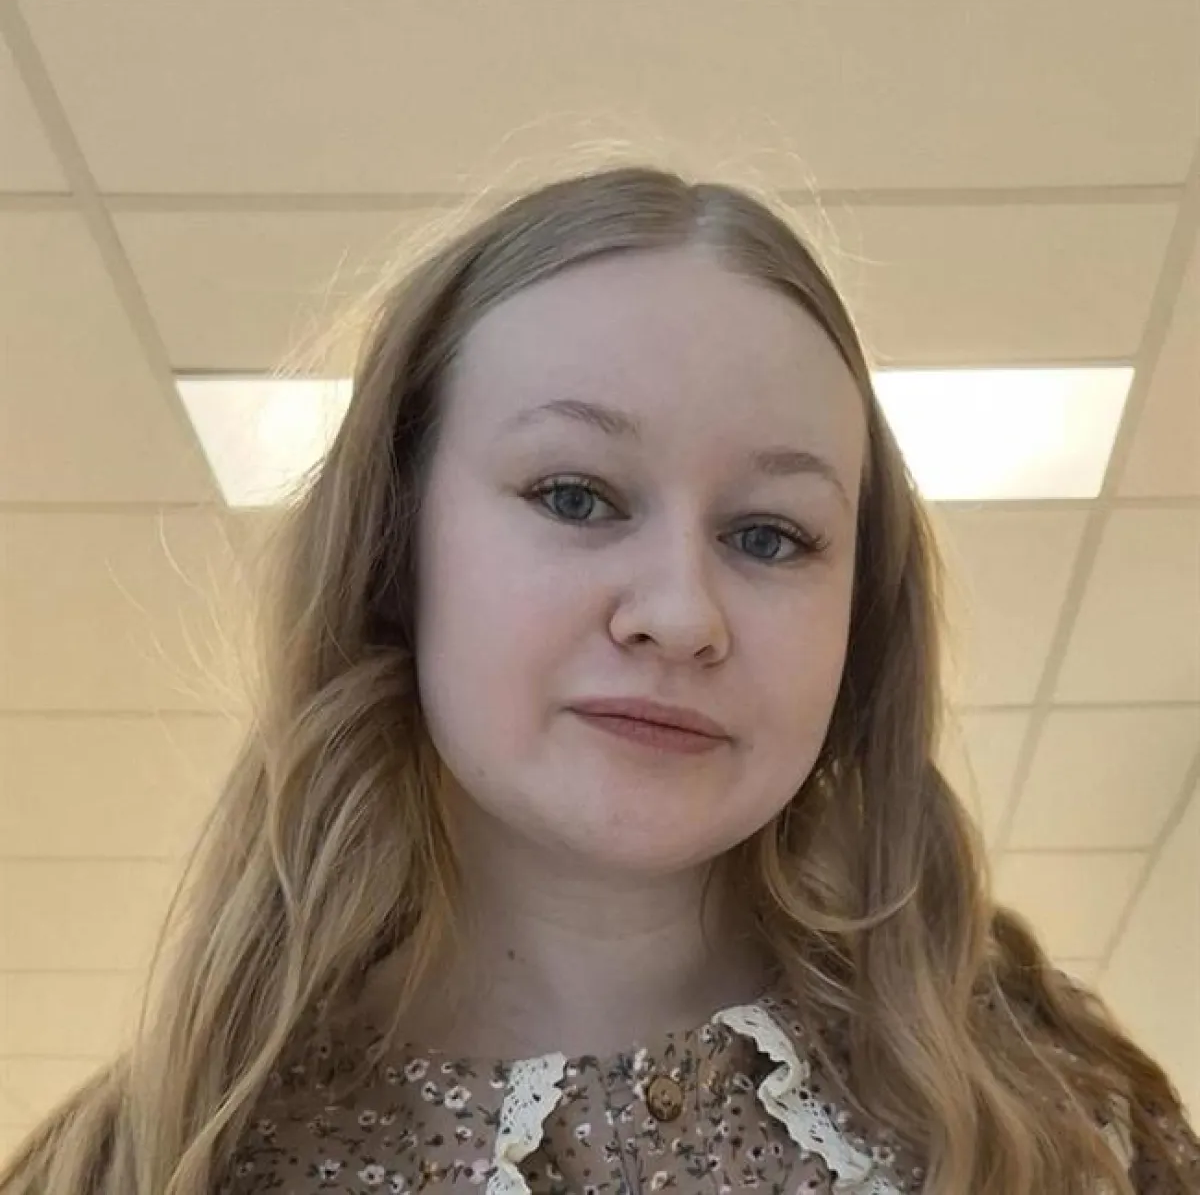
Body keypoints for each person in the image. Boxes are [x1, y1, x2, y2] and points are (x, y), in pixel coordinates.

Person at [2, 167, 1196, 1195]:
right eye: (574, 497)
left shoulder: (1060, 1114)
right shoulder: (140, 1165)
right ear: (396, 548)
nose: (680, 615)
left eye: (771, 535)